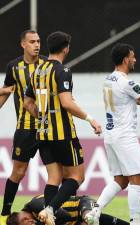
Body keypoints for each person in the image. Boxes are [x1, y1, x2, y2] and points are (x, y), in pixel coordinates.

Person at [23, 31, 102, 225]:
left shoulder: (36, 71)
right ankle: (50, 210)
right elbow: (66, 103)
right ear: (66, 48)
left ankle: (49, 219)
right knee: (77, 176)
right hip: (63, 134)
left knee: (54, 177)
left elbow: (27, 103)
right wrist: (90, 119)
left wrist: (41, 117)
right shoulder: (62, 70)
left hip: (42, 134)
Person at [90, 43, 140, 225]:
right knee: (138, 178)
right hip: (125, 136)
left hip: (111, 136)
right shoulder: (126, 82)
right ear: (126, 59)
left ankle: (94, 211)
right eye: (133, 56)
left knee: (120, 180)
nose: (135, 59)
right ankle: (135, 221)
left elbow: (138, 101)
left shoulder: (109, 79)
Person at [0, 30, 46, 225]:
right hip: (25, 128)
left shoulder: (48, 65)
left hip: (48, 129)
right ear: (23, 44)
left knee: (60, 173)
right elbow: (7, 91)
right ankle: (4, 214)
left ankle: (56, 213)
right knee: (18, 172)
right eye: (32, 42)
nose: (36, 45)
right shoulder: (14, 67)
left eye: (38, 41)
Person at [5, 195, 129, 225]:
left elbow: (65, 216)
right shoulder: (33, 217)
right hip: (78, 221)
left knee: (89, 218)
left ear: (24, 219)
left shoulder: (36, 205)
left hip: (83, 206)